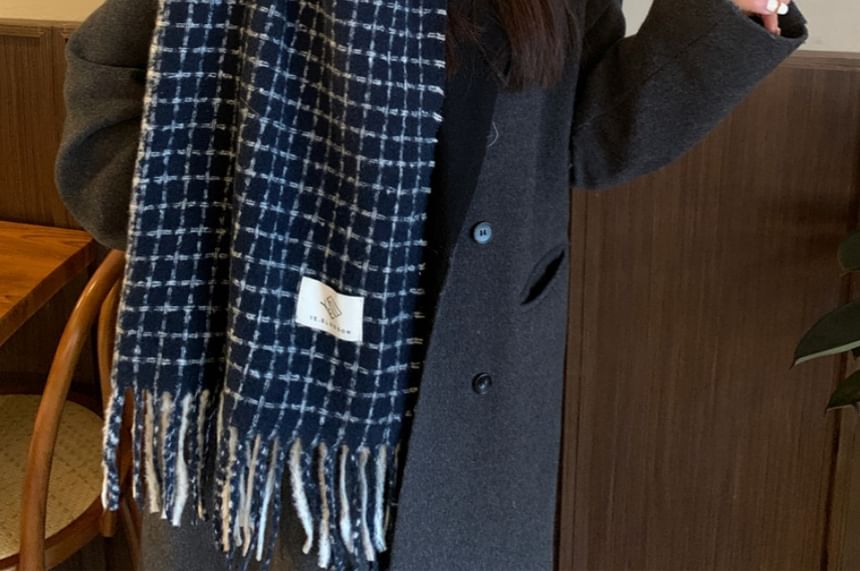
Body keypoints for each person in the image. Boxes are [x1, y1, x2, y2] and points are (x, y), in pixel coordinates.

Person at [56, 0, 809, 569]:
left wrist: (731, 16)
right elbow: (106, 100)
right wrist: (228, 233)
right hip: (266, 389)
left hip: (476, 383)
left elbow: (588, 135)